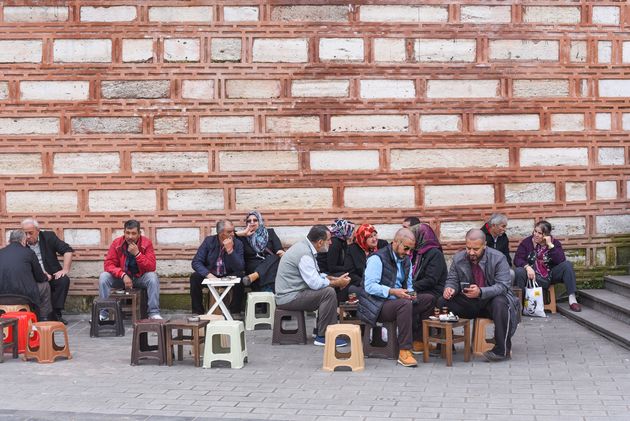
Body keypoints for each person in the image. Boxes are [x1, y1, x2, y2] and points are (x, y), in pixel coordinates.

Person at [438, 228, 519, 362]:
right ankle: (446, 344)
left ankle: (501, 350)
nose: (471, 252)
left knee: (501, 302)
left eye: (476, 249)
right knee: (442, 301)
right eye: (468, 248)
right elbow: (452, 279)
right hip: (469, 301)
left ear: (484, 246)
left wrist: (481, 291)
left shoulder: (498, 258)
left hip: (490, 302)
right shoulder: (459, 258)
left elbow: (503, 286)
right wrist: (450, 288)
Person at [359, 228, 433, 367]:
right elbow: (369, 287)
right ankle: (404, 351)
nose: (408, 253)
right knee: (404, 305)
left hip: (397, 300)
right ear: (397, 242)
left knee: (429, 299)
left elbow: (409, 285)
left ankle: (418, 340)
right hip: (377, 304)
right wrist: (393, 292)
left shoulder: (406, 260)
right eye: (406, 248)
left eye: (410, 250)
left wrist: (411, 295)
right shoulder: (377, 259)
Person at [275, 225, 351, 347]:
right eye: (329, 240)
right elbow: (315, 284)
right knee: (328, 292)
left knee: (327, 288)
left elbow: (314, 276)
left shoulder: (305, 247)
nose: (331, 242)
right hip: (288, 297)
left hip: (293, 293)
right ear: (320, 242)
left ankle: (319, 330)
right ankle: (324, 336)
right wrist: (337, 283)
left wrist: (332, 278)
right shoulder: (304, 253)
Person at [99, 219, 162, 319]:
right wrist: (122, 275)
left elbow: (151, 266)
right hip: (122, 279)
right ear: (124, 232)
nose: (130, 237)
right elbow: (108, 264)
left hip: (139, 278)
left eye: (133, 233)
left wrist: (137, 254)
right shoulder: (117, 243)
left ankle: (153, 313)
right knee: (104, 276)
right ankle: (104, 313)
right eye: (127, 233)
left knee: (152, 277)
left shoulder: (146, 243)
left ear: (139, 234)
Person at [513, 220, 581, 312]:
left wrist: (550, 246)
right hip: (532, 275)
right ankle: (521, 305)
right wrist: (527, 267)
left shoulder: (554, 243)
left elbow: (561, 260)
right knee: (519, 271)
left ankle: (572, 299)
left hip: (549, 275)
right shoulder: (527, 242)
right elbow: (517, 259)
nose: (536, 234)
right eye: (535, 231)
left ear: (546, 235)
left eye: (539, 233)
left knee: (567, 265)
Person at [21, 218, 74, 324]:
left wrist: (65, 269)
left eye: (30, 233)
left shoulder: (48, 237)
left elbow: (67, 250)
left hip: (51, 273)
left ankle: (56, 313)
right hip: (33, 276)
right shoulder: (21, 242)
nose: (28, 236)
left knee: (63, 280)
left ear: (38, 230)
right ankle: (35, 314)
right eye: (25, 233)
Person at [190, 220, 244, 315]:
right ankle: (198, 312)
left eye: (233, 231)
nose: (233, 234)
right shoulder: (209, 241)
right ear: (220, 233)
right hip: (211, 275)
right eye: (229, 232)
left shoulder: (238, 243)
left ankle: (235, 312)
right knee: (195, 277)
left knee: (240, 276)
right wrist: (208, 274)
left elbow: (240, 267)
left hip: (228, 275)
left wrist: (230, 251)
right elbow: (196, 262)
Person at [0, 230, 53, 320]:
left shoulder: (1, 252)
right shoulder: (29, 253)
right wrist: (47, 277)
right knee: (45, 286)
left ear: (9, 240)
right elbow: (39, 277)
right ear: (23, 241)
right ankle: (43, 318)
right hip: (23, 297)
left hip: (1, 296)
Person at [409, 223, 446, 334]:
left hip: (434, 290)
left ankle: (420, 337)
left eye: (413, 237)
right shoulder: (414, 252)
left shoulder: (435, 253)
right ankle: (411, 335)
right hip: (418, 288)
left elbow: (431, 280)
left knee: (423, 300)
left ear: (421, 237)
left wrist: (410, 287)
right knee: (401, 300)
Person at [236, 211, 284, 292]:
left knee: (275, 258)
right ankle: (271, 301)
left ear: (260, 221)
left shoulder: (270, 233)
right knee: (272, 270)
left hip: (269, 263)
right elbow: (228, 236)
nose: (252, 223)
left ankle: (256, 275)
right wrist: (243, 233)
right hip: (253, 265)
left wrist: (282, 253)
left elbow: (279, 249)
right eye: (249, 221)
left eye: (255, 220)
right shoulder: (243, 238)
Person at [343, 224, 388, 298]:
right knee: (353, 291)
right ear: (363, 238)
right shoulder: (352, 249)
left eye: (375, 235)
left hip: (383, 283)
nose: (374, 239)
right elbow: (350, 273)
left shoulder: (383, 245)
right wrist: (366, 284)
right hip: (362, 284)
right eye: (370, 237)